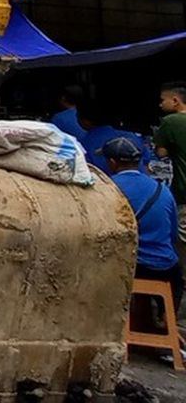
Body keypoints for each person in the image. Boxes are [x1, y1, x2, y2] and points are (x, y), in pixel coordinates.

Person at [102, 137, 183, 340]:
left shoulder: (108, 188)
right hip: (165, 266)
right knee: (176, 275)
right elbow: (172, 235)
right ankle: (166, 322)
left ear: (112, 162)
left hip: (131, 264)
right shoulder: (162, 190)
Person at [76, 101, 152, 175]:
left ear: (85, 121)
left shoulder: (84, 145)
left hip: (109, 185)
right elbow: (147, 164)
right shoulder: (131, 136)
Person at [155, 81, 186, 243]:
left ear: (175, 100)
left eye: (162, 100)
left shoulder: (171, 121)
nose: (160, 104)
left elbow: (161, 153)